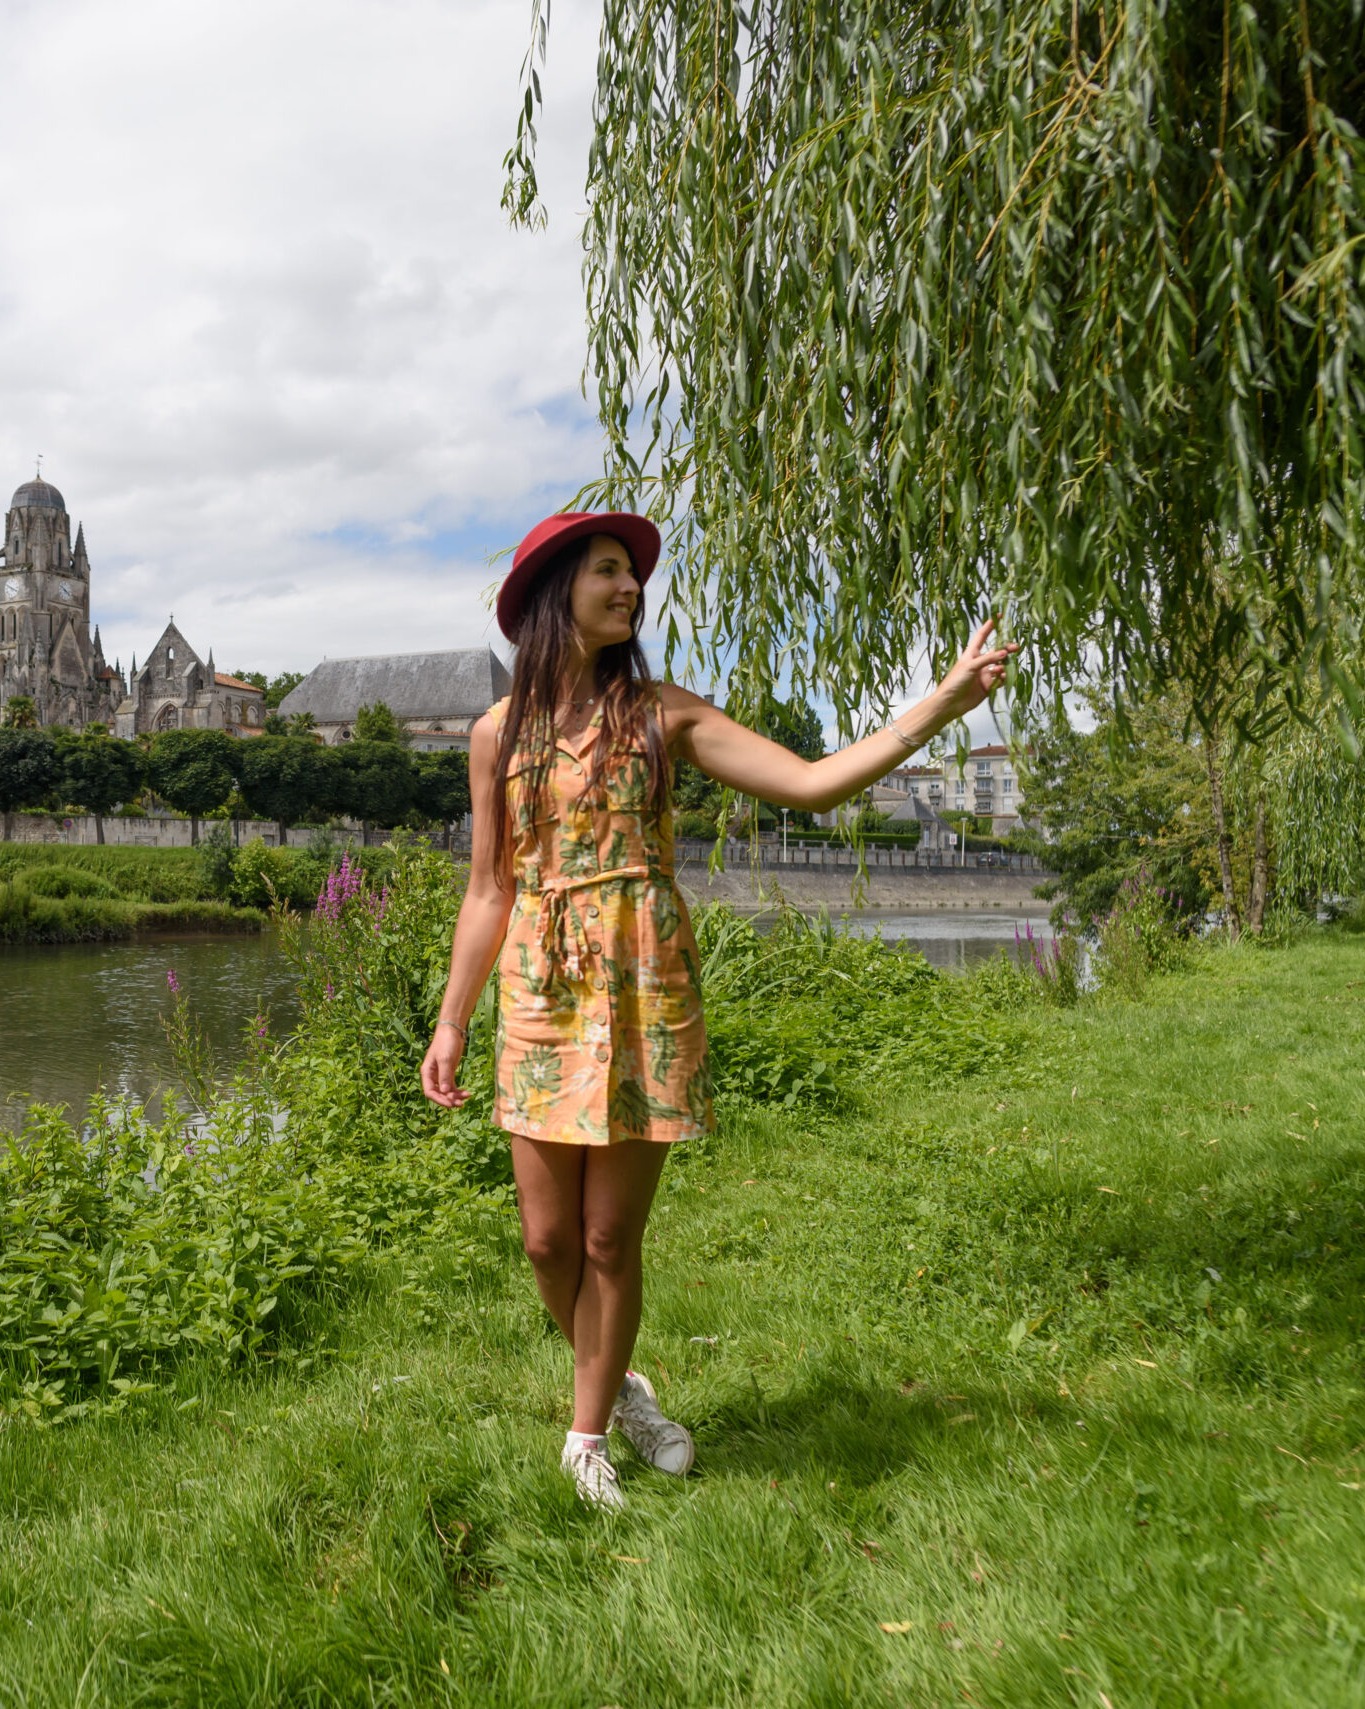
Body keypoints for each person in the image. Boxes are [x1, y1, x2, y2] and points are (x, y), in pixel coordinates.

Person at [418, 512, 1016, 1510]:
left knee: (610, 1238)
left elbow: (814, 784)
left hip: (645, 982)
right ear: (553, 591)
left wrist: (941, 706)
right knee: (545, 1241)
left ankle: (587, 1432)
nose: (629, 588)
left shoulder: (661, 714)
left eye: (630, 575)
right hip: (539, 987)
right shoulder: (495, 733)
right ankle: (621, 1384)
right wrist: (449, 1020)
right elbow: (487, 887)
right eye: (607, 571)